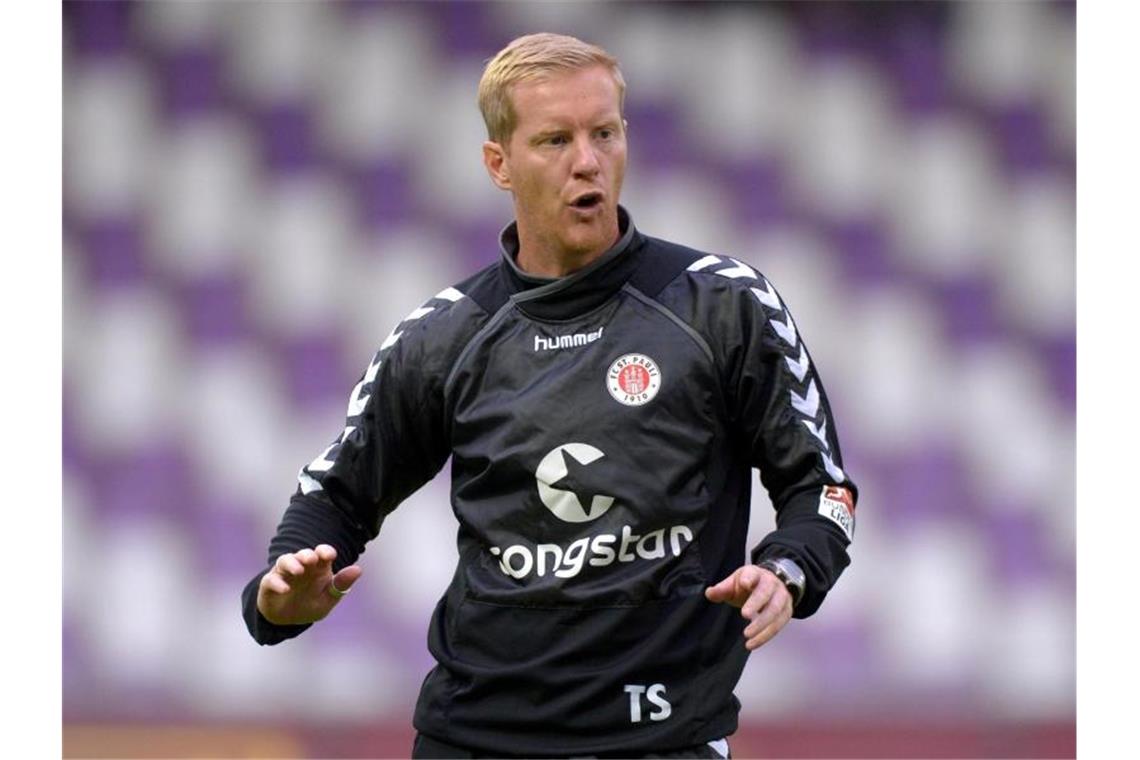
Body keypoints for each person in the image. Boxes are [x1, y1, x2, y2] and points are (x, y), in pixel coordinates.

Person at [242, 32, 857, 759]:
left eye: (605, 132)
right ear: (498, 163)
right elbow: (336, 496)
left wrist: (788, 569)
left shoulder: (722, 306)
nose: (588, 161)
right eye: (556, 140)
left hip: (662, 740)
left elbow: (822, 488)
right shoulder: (445, 336)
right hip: (475, 738)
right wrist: (276, 598)